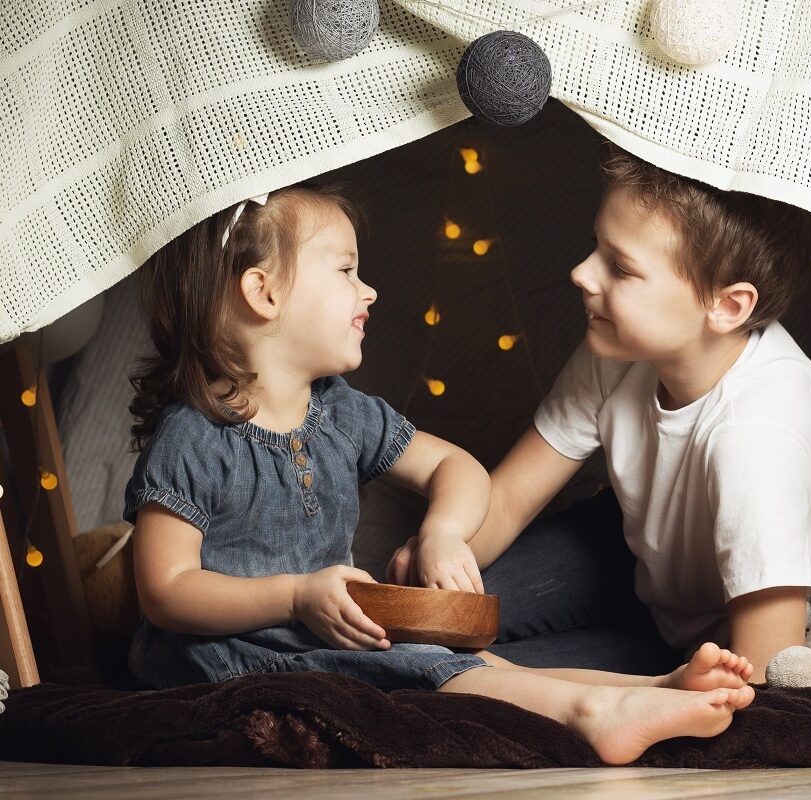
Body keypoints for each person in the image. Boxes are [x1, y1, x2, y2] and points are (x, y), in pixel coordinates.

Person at [123, 182, 754, 765]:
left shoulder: (340, 411)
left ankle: (652, 686)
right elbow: (165, 588)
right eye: (346, 270)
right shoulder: (194, 435)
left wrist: (444, 533)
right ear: (264, 294)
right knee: (424, 671)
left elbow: (457, 467)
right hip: (230, 659)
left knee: (455, 655)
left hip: (322, 637)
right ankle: (592, 713)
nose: (367, 291)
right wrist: (292, 595)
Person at [390, 145, 811, 679]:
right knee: (410, 626)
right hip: (643, 560)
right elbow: (507, 499)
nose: (581, 273)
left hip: (730, 639)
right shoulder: (624, 347)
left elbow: (767, 671)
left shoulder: (757, 440)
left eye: (620, 267)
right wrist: (441, 549)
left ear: (727, 306)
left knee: (438, 678)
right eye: (593, 247)